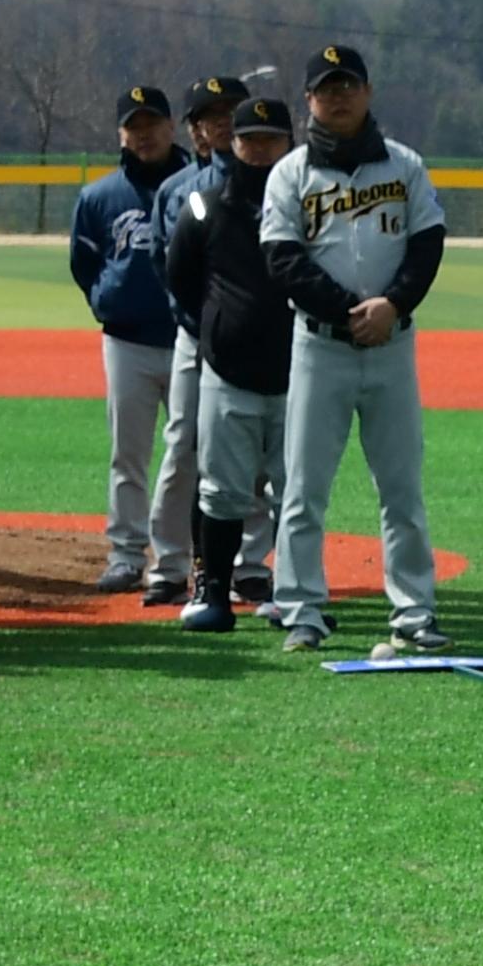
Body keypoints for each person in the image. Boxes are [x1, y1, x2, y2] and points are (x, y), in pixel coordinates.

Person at [259, 43, 450, 658]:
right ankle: (302, 609)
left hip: (392, 343)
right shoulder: (290, 173)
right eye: (326, 87)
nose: (338, 96)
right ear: (308, 99)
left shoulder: (404, 166)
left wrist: (391, 305)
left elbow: (427, 244)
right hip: (320, 347)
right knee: (304, 488)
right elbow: (282, 259)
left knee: (402, 488)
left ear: (368, 92)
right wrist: (349, 311)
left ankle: (414, 611)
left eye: (349, 84)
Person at [161, 96, 301, 632]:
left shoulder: (308, 206)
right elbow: (180, 279)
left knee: (295, 488)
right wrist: (222, 325)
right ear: (232, 143)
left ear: (290, 142)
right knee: (220, 487)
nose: (261, 149)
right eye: (251, 139)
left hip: (298, 370)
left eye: (272, 138)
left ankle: (295, 594)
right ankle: (212, 590)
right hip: (226, 369)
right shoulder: (204, 207)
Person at [67, 82, 188, 593]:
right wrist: (107, 299)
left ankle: (188, 554)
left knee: (193, 453)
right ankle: (125, 553)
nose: (144, 135)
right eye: (133, 126)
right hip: (126, 341)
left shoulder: (199, 184)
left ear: (171, 125)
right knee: (129, 452)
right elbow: (84, 263)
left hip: (189, 338)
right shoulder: (98, 196)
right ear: (120, 134)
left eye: (152, 123)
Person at [154, 75, 263, 608]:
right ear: (195, 131)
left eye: (231, 110)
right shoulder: (179, 193)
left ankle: (249, 565)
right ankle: (172, 562)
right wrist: (205, 324)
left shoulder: (280, 185)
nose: (222, 120)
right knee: (182, 448)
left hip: (259, 345)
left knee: (258, 455)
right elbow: (169, 269)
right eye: (210, 113)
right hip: (196, 338)